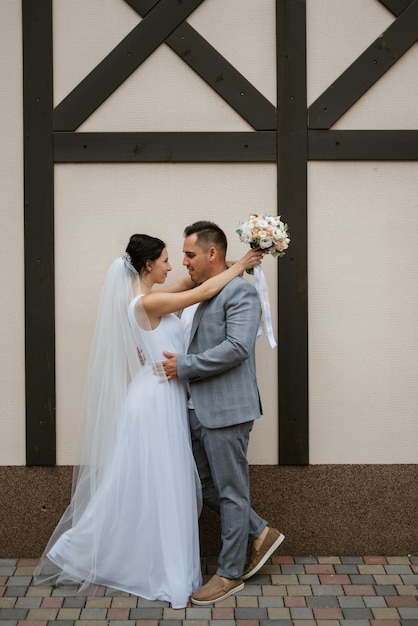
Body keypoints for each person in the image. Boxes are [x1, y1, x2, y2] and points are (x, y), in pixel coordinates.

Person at [34, 234, 263, 609]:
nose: (173, 266)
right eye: (166, 260)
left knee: (161, 482)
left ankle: (156, 557)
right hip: (157, 398)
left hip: (164, 393)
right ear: (147, 267)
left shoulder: (152, 294)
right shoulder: (150, 301)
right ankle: (96, 550)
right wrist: (239, 267)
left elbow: (196, 281)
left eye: (179, 258)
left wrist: (226, 260)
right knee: (159, 482)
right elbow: (201, 293)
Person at [162, 221, 285, 606]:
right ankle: (260, 531)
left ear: (211, 253)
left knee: (231, 491)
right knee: (204, 485)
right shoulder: (202, 291)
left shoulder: (240, 292)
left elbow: (237, 348)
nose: (184, 261)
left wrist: (184, 366)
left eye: (190, 254)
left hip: (227, 411)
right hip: (194, 408)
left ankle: (230, 573)